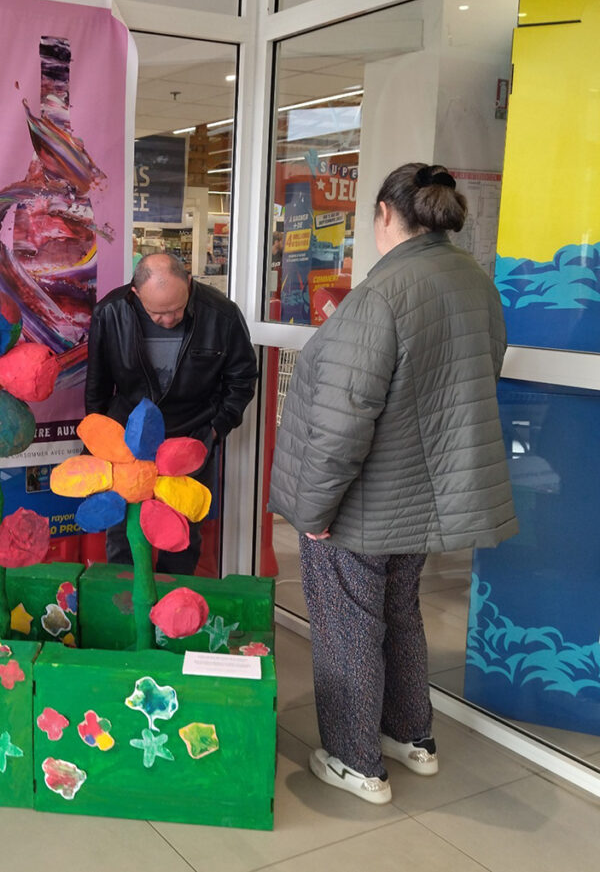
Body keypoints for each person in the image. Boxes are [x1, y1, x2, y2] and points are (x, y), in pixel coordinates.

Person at [268, 162, 518, 805]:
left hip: (363, 501)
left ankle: (356, 761)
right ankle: (412, 737)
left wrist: (315, 509)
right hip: (423, 496)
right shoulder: (474, 283)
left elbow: (341, 419)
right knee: (401, 615)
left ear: (385, 213)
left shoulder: (383, 294)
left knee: (348, 626)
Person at [86, 252, 258, 574]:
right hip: (127, 442)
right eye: (158, 313)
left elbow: (242, 380)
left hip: (190, 438)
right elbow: (97, 387)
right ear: (136, 295)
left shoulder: (221, 315)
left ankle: (173, 613)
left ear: (189, 283)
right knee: (124, 533)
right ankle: (126, 606)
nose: (170, 319)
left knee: (181, 535)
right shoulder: (110, 313)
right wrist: (97, 445)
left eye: (178, 309)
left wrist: (214, 431)